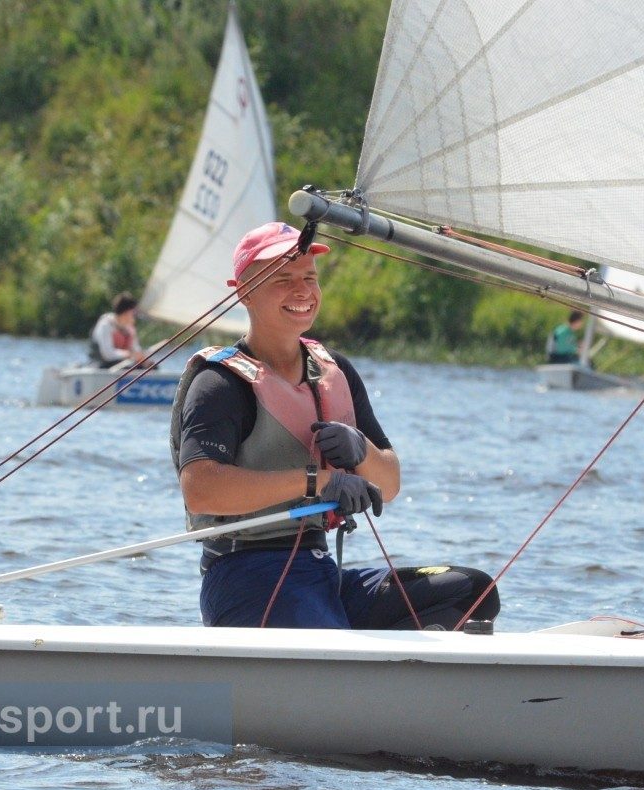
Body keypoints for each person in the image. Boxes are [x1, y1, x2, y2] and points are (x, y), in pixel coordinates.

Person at [170, 221, 500, 629]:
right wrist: (318, 481)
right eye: (283, 279)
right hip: (246, 576)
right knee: (331, 632)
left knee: (472, 590)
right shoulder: (219, 383)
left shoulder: (334, 370)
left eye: (310, 278)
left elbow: (390, 484)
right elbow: (201, 491)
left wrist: (360, 448)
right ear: (243, 291)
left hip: (322, 572)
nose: (303, 291)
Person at [89, 292, 149, 369]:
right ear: (125, 312)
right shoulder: (105, 325)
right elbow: (108, 354)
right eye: (134, 312)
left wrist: (142, 357)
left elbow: (136, 348)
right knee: (129, 367)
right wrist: (130, 354)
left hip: (123, 364)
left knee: (150, 366)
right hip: (102, 365)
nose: (135, 315)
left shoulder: (130, 328)